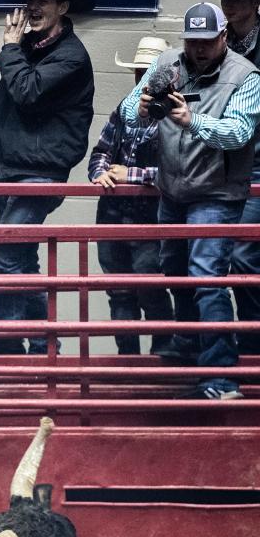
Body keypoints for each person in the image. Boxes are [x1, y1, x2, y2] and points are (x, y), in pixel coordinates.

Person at [121, 2, 260, 399]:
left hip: (216, 193)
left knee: (206, 276)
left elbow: (238, 134)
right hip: (173, 189)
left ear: (223, 37)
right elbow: (129, 113)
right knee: (175, 271)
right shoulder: (168, 62)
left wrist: (191, 120)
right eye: (192, 41)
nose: (199, 49)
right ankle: (193, 353)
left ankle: (221, 377)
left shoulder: (245, 76)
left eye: (207, 41)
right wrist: (143, 107)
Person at [0, 0, 95, 355]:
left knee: (3, 257)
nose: (32, 7)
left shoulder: (71, 56)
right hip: (12, 167)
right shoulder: (32, 47)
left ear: (62, 7)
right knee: (23, 260)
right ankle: (46, 345)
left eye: (42, 0)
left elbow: (27, 91)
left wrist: (10, 48)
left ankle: (9, 350)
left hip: (39, 172)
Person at [88, 37, 175, 355]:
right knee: (120, 290)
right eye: (140, 72)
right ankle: (129, 359)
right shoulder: (125, 108)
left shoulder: (175, 114)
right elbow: (100, 152)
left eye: (149, 72)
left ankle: (162, 357)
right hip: (113, 216)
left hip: (148, 218)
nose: (144, 79)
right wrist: (102, 171)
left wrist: (130, 175)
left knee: (149, 286)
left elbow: (179, 172)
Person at [199, 0, 260, 354]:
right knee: (218, 256)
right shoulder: (219, 44)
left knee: (240, 254)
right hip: (224, 164)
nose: (228, 4)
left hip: (253, 165)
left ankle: (252, 346)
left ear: (256, 1)